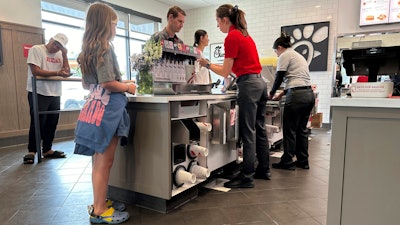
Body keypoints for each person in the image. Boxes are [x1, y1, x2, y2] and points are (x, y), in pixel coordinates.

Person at [74, 2, 136, 224]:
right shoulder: (105, 47)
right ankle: (100, 210)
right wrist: (128, 87)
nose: (115, 29)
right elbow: (108, 82)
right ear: (104, 25)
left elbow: (87, 85)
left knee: (98, 160)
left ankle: (100, 201)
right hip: (108, 111)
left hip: (93, 108)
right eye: (114, 24)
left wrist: (121, 82)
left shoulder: (86, 50)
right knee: (105, 162)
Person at [198, 4, 270, 188]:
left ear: (224, 19)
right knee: (259, 129)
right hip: (260, 84)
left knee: (248, 132)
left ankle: (247, 177)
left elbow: (224, 71)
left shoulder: (232, 36)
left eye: (217, 21)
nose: (217, 26)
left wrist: (207, 64)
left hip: (249, 85)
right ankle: (264, 169)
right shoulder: (245, 34)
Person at [269, 33, 315, 170]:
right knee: (302, 130)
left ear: (279, 47)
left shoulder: (284, 55)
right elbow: (296, 80)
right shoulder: (298, 55)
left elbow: (279, 78)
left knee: (290, 130)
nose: (276, 55)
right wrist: (281, 94)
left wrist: (271, 93)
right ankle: (303, 161)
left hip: (296, 97)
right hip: (308, 94)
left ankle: (287, 162)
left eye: (276, 51)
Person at [23, 33, 71, 164]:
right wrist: (57, 73)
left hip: (55, 92)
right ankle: (32, 151)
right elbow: (35, 71)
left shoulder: (61, 54)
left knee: (52, 121)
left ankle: (47, 150)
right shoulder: (37, 49)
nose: (55, 47)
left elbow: (66, 72)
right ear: (50, 40)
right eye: (55, 43)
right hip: (38, 91)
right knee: (38, 121)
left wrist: (65, 55)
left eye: (59, 46)